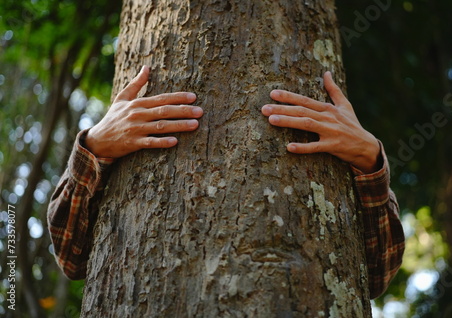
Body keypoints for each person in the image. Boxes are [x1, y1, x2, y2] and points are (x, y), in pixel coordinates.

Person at [47, 66, 405, 299]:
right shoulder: (118, 135)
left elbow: (375, 276)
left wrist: (371, 160)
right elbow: (71, 256)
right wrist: (91, 146)